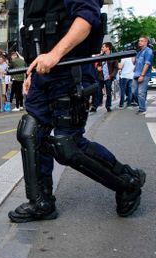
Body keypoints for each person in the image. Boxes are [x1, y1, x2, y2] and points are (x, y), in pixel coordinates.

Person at [8, 0, 146, 223]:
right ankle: (41, 202)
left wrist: (54, 55)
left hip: (69, 71)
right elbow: (36, 35)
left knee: (67, 144)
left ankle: (127, 182)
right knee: (31, 133)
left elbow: (86, 19)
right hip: (43, 75)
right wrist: (31, 72)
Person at [92, 42, 118, 112]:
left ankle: (108, 106)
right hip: (100, 77)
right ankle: (95, 106)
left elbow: (116, 68)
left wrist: (111, 75)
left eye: (103, 47)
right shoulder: (101, 56)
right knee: (98, 92)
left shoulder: (114, 56)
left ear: (108, 48)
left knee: (108, 93)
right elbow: (97, 65)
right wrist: (97, 68)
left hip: (108, 77)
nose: (102, 48)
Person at [132, 36, 154, 115]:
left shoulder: (148, 51)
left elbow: (147, 64)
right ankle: (143, 103)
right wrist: (134, 53)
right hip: (136, 74)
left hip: (144, 75)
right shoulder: (139, 52)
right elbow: (133, 62)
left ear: (146, 42)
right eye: (139, 41)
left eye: (141, 41)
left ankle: (142, 109)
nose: (139, 42)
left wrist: (142, 75)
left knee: (141, 92)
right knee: (134, 92)